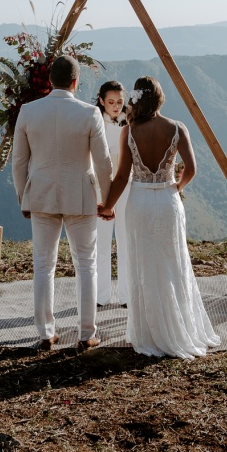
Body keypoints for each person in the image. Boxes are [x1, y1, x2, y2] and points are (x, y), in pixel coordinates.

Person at [99, 76, 220, 359]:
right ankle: (179, 327)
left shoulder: (129, 132)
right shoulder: (178, 128)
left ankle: (150, 332)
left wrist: (107, 206)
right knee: (173, 262)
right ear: (160, 98)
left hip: (139, 202)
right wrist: (175, 188)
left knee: (144, 264)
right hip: (168, 202)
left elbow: (121, 177)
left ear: (137, 100)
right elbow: (191, 168)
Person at [12, 55, 114, 350]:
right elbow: (103, 162)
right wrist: (106, 201)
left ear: (49, 80)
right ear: (75, 81)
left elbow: (19, 161)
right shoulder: (89, 113)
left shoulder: (28, 112)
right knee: (86, 265)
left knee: (43, 266)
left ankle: (46, 334)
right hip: (80, 196)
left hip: (41, 195)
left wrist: (24, 197)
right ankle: (86, 334)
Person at [93, 80, 131, 307]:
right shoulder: (95, 122)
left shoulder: (131, 122)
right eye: (111, 102)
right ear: (101, 101)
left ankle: (126, 296)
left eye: (119, 102)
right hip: (101, 187)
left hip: (126, 186)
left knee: (126, 241)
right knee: (101, 243)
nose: (116, 106)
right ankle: (101, 296)